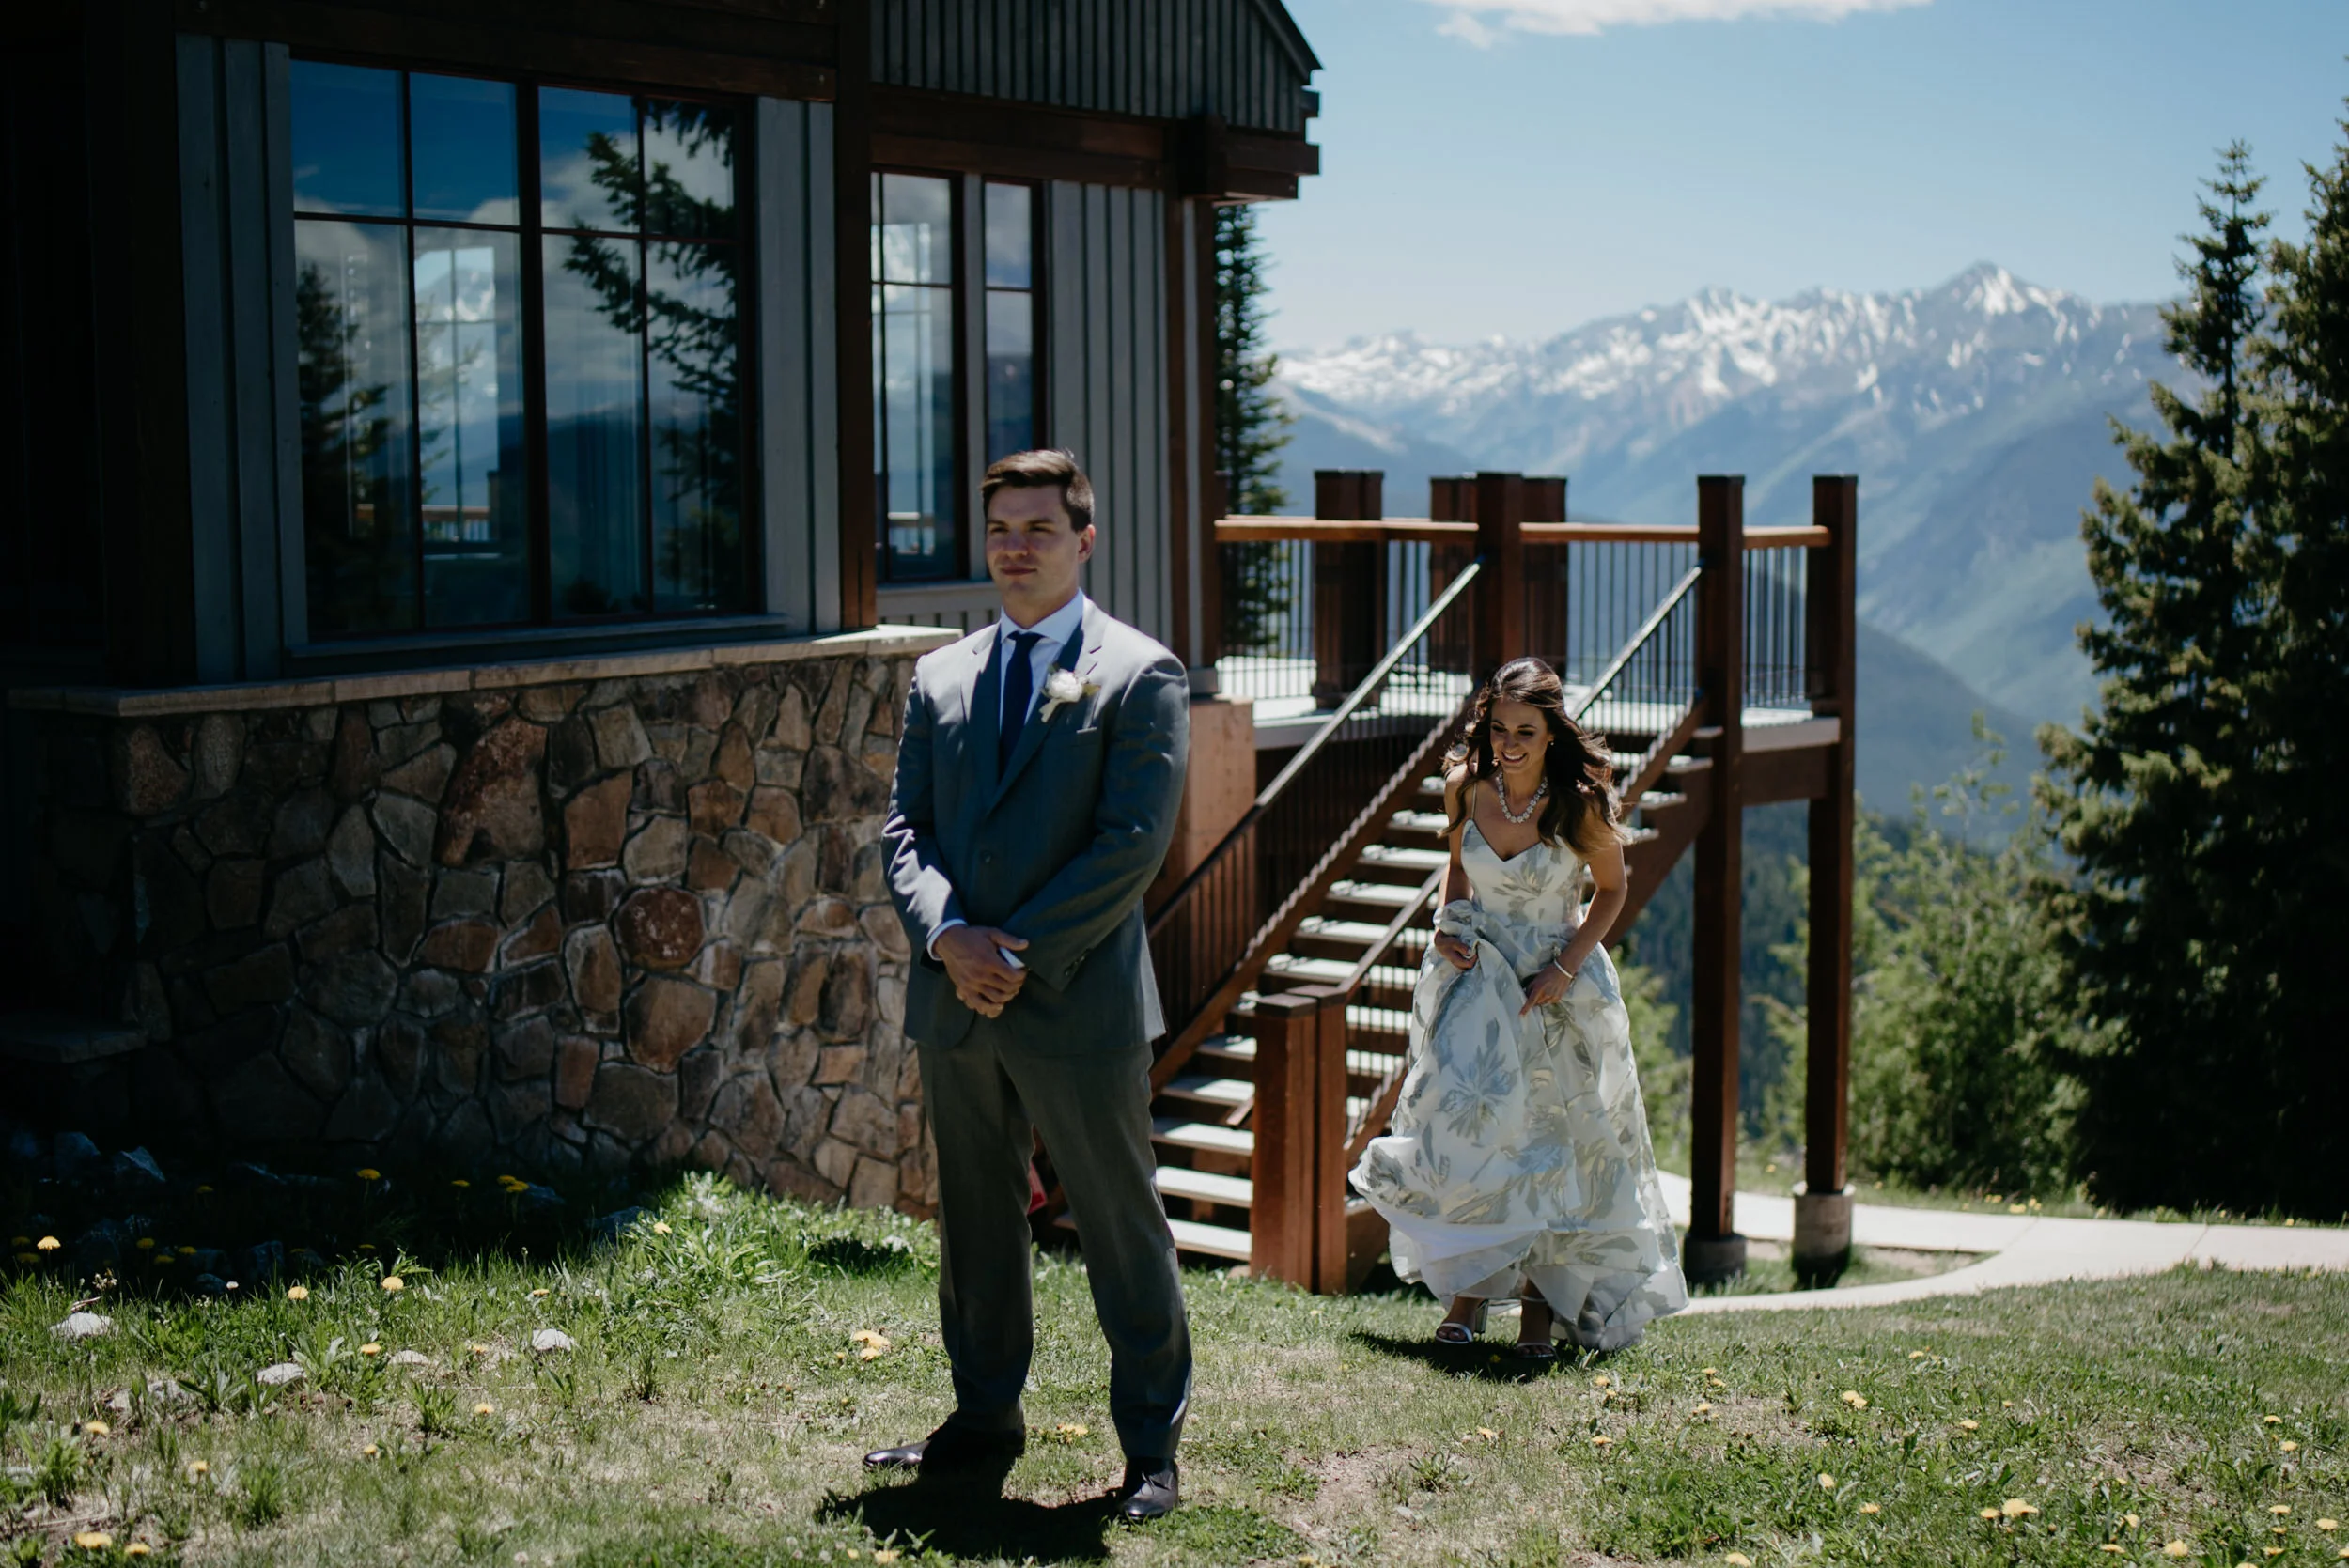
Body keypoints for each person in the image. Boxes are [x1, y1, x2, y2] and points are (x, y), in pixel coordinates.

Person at [870, 448, 1193, 1520]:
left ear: (1083, 539)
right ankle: (980, 1418)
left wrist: (1013, 952)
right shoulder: (940, 675)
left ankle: (1151, 1445)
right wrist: (949, 934)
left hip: (1076, 997)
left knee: (1116, 1218)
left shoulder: (1138, 673)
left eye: (1038, 528)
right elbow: (904, 829)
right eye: (1002, 528)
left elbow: (1129, 845)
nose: (1015, 546)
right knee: (973, 1221)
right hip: (954, 996)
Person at [1350, 657, 1688, 1356]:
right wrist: (1447, 926)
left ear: (1552, 733)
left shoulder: (1579, 803)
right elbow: (1456, 873)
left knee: (1554, 1142)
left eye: (1525, 731)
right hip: (1479, 981)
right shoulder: (1464, 789)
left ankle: (1541, 1303)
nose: (1508, 742)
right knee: (1471, 1139)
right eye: (1499, 727)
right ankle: (1468, 1297)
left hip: (1550, 988)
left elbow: (1613, 891)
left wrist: (1566, 966)